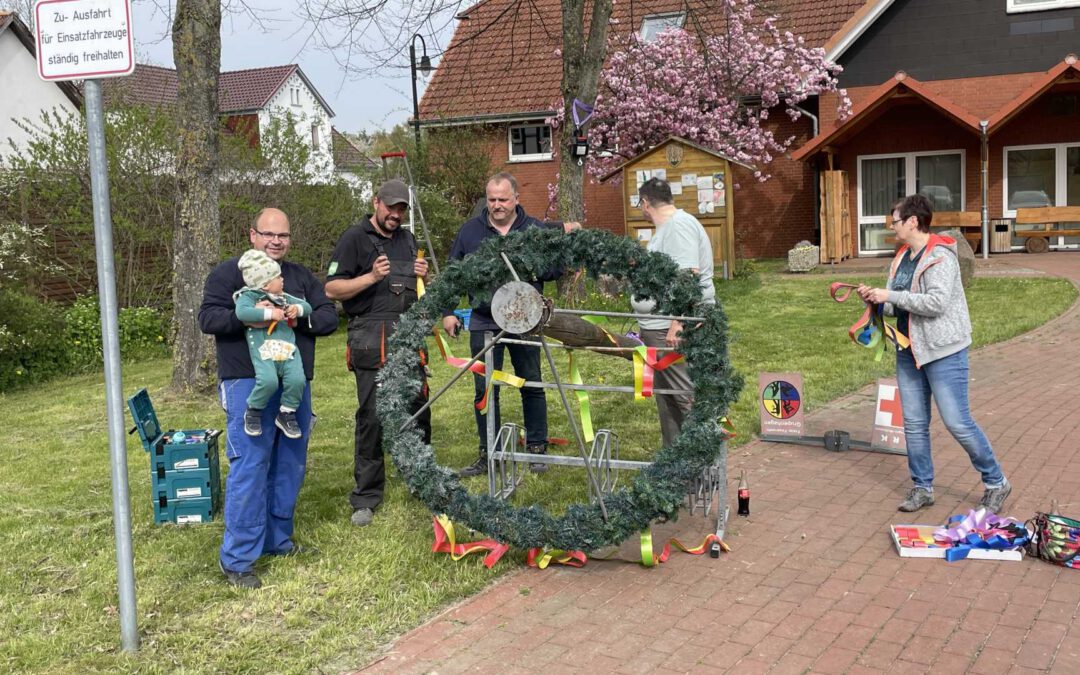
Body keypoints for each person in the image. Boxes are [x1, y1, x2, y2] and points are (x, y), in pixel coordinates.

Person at [199, 208, 338, 589]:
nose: (276, 241)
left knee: (289, 463)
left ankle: (278, 541)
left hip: (293, 384)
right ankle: (240, 558)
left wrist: (296, 316)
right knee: (251, 463)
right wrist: (253, 317)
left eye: (283, 235)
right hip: (248, 382)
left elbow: (328, 317)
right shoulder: (229, 274)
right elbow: (208, 319)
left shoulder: (299, 277)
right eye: (268, 234)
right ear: (252, 235)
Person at [857, 194, 1011, 513]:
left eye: (896, 220)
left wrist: (892, 294)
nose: (892, 226)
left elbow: (935, 303)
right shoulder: (901, 257)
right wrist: (875, 299)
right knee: (913, 423)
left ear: (913, 221)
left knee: (957, 421)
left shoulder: (940, 256)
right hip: (908, 349)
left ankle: (996, 481)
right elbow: (894, 305)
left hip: (943, 351)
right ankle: (922, 487)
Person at [442, 172, 579, 477]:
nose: (497, 205)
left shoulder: (534, 230)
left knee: (531, 382)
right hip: (483, 320)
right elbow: (453, 273)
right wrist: (448, 311)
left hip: (525, 320)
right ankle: (489, 452)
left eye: (503, 199)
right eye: (492, 199)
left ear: (516, 199)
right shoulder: (470, 232)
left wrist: (532, 264)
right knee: (485, 388)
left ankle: (537, 449)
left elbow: (555, 268)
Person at [325, 179, 432, 528]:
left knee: (418, 408)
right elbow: (331, 288)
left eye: (401, 209)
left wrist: (423, 278)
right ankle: (367, 496)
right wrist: (370, 277)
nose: (396, 215)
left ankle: (420, 479)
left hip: (407, 333)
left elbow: (420, 293)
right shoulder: (354, 238)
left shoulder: (407, 239)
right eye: (391, 208)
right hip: (370, 335)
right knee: (372, 415)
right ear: (376, 203)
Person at [629, 177, 715, 449]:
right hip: (657, 327)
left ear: (644, 203)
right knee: (667, 398)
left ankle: (703, 458)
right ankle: (675, 463)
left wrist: (678, 324)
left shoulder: (677, 226)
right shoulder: (668, 228)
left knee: (683, 395)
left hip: (669, 329)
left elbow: (687, 276)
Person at [234, 248, 312, 440]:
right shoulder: (249, 297)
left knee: (297, 380)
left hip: (287, 350)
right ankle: (253, 410)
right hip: (264, 350)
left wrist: (296, 309)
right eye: (278, 277)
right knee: (268, 381)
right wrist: (270, 314)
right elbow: (242, 313)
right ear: (266, 285)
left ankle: (287, 412)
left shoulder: (284, 297)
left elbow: (308, 307)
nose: (282, 279)